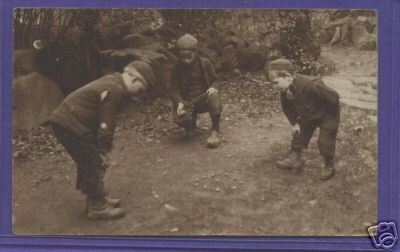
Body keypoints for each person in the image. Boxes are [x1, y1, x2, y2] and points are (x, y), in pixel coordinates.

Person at [48, 61, 155, 220]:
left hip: (70, 123)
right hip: (71, 125)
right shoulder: (115, 89)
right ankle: (97, 206)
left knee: (89, 160)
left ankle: (96, 197)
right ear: (135, 80)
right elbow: (106, 123)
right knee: (95, 162)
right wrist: (104, 150)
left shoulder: (113, 81)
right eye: (140, 89)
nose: (138, 94)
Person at [267, 58, 340, 180]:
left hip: (327, 115)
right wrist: (294, 123)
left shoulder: (312, 85)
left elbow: (334, 98)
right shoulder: (285, 88)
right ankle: (294, 158)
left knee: (324, 142)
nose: (274, 87)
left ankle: (329, 165)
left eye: (276, 82)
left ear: (288, 76)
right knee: (299, 133)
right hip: (308, 114)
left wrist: (329, 119)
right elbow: (287, 108)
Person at [170, 34, 222, 148]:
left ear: (195, 52)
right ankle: (190, 125)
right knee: (182, 121)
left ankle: (215, 130)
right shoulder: (176, 68)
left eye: (189, 56)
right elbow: (174, 90)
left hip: (203, 98)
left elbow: (216, 81)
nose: (186, 60)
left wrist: (213, 87)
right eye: (182, 57)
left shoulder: (205, 63)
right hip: (188, 102)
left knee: (214, 96)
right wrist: (179, 102)